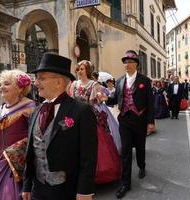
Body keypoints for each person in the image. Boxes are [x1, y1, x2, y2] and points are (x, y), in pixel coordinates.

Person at [22, 53, 98, 200]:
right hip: (37, 188)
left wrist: (85, 191)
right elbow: (31, 151)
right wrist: (27, 184)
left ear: (58, 82)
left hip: (66, 190)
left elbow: (89, 157)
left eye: (41, 78)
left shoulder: (81, 111)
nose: (36, 83)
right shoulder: (35, 112)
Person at [101, 50, 155, 199]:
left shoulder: (145, 80)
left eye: (130, 62)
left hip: (140, 119)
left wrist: (151, 122)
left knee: (140, 147)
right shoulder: (119, 81)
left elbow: (150, 103)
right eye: (125, 62)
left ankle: (142, 166)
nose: (127, 64)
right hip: (124, 119)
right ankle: (125, 183)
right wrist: (105, 98)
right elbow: (115, 100)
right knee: (125, 151)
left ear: (136, 64)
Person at [0, 69, 35, 199]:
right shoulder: (2, 108)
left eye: (7, 83)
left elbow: (36, 137)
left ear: (20, 88)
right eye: (1, 84)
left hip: (15, 163)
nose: (2, 87)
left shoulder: (30, 108)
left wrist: (15, 150)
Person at [69, 60, 122, 184]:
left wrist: (99, 97)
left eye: (82, 69)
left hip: (89, 116)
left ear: (87, 71)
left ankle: (96, 174)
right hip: (76, 117)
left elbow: (96, 101)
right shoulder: (74, 84)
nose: (79, 71)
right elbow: (71, 100)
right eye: (78, 69)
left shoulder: (94, 84)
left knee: (95, 146)